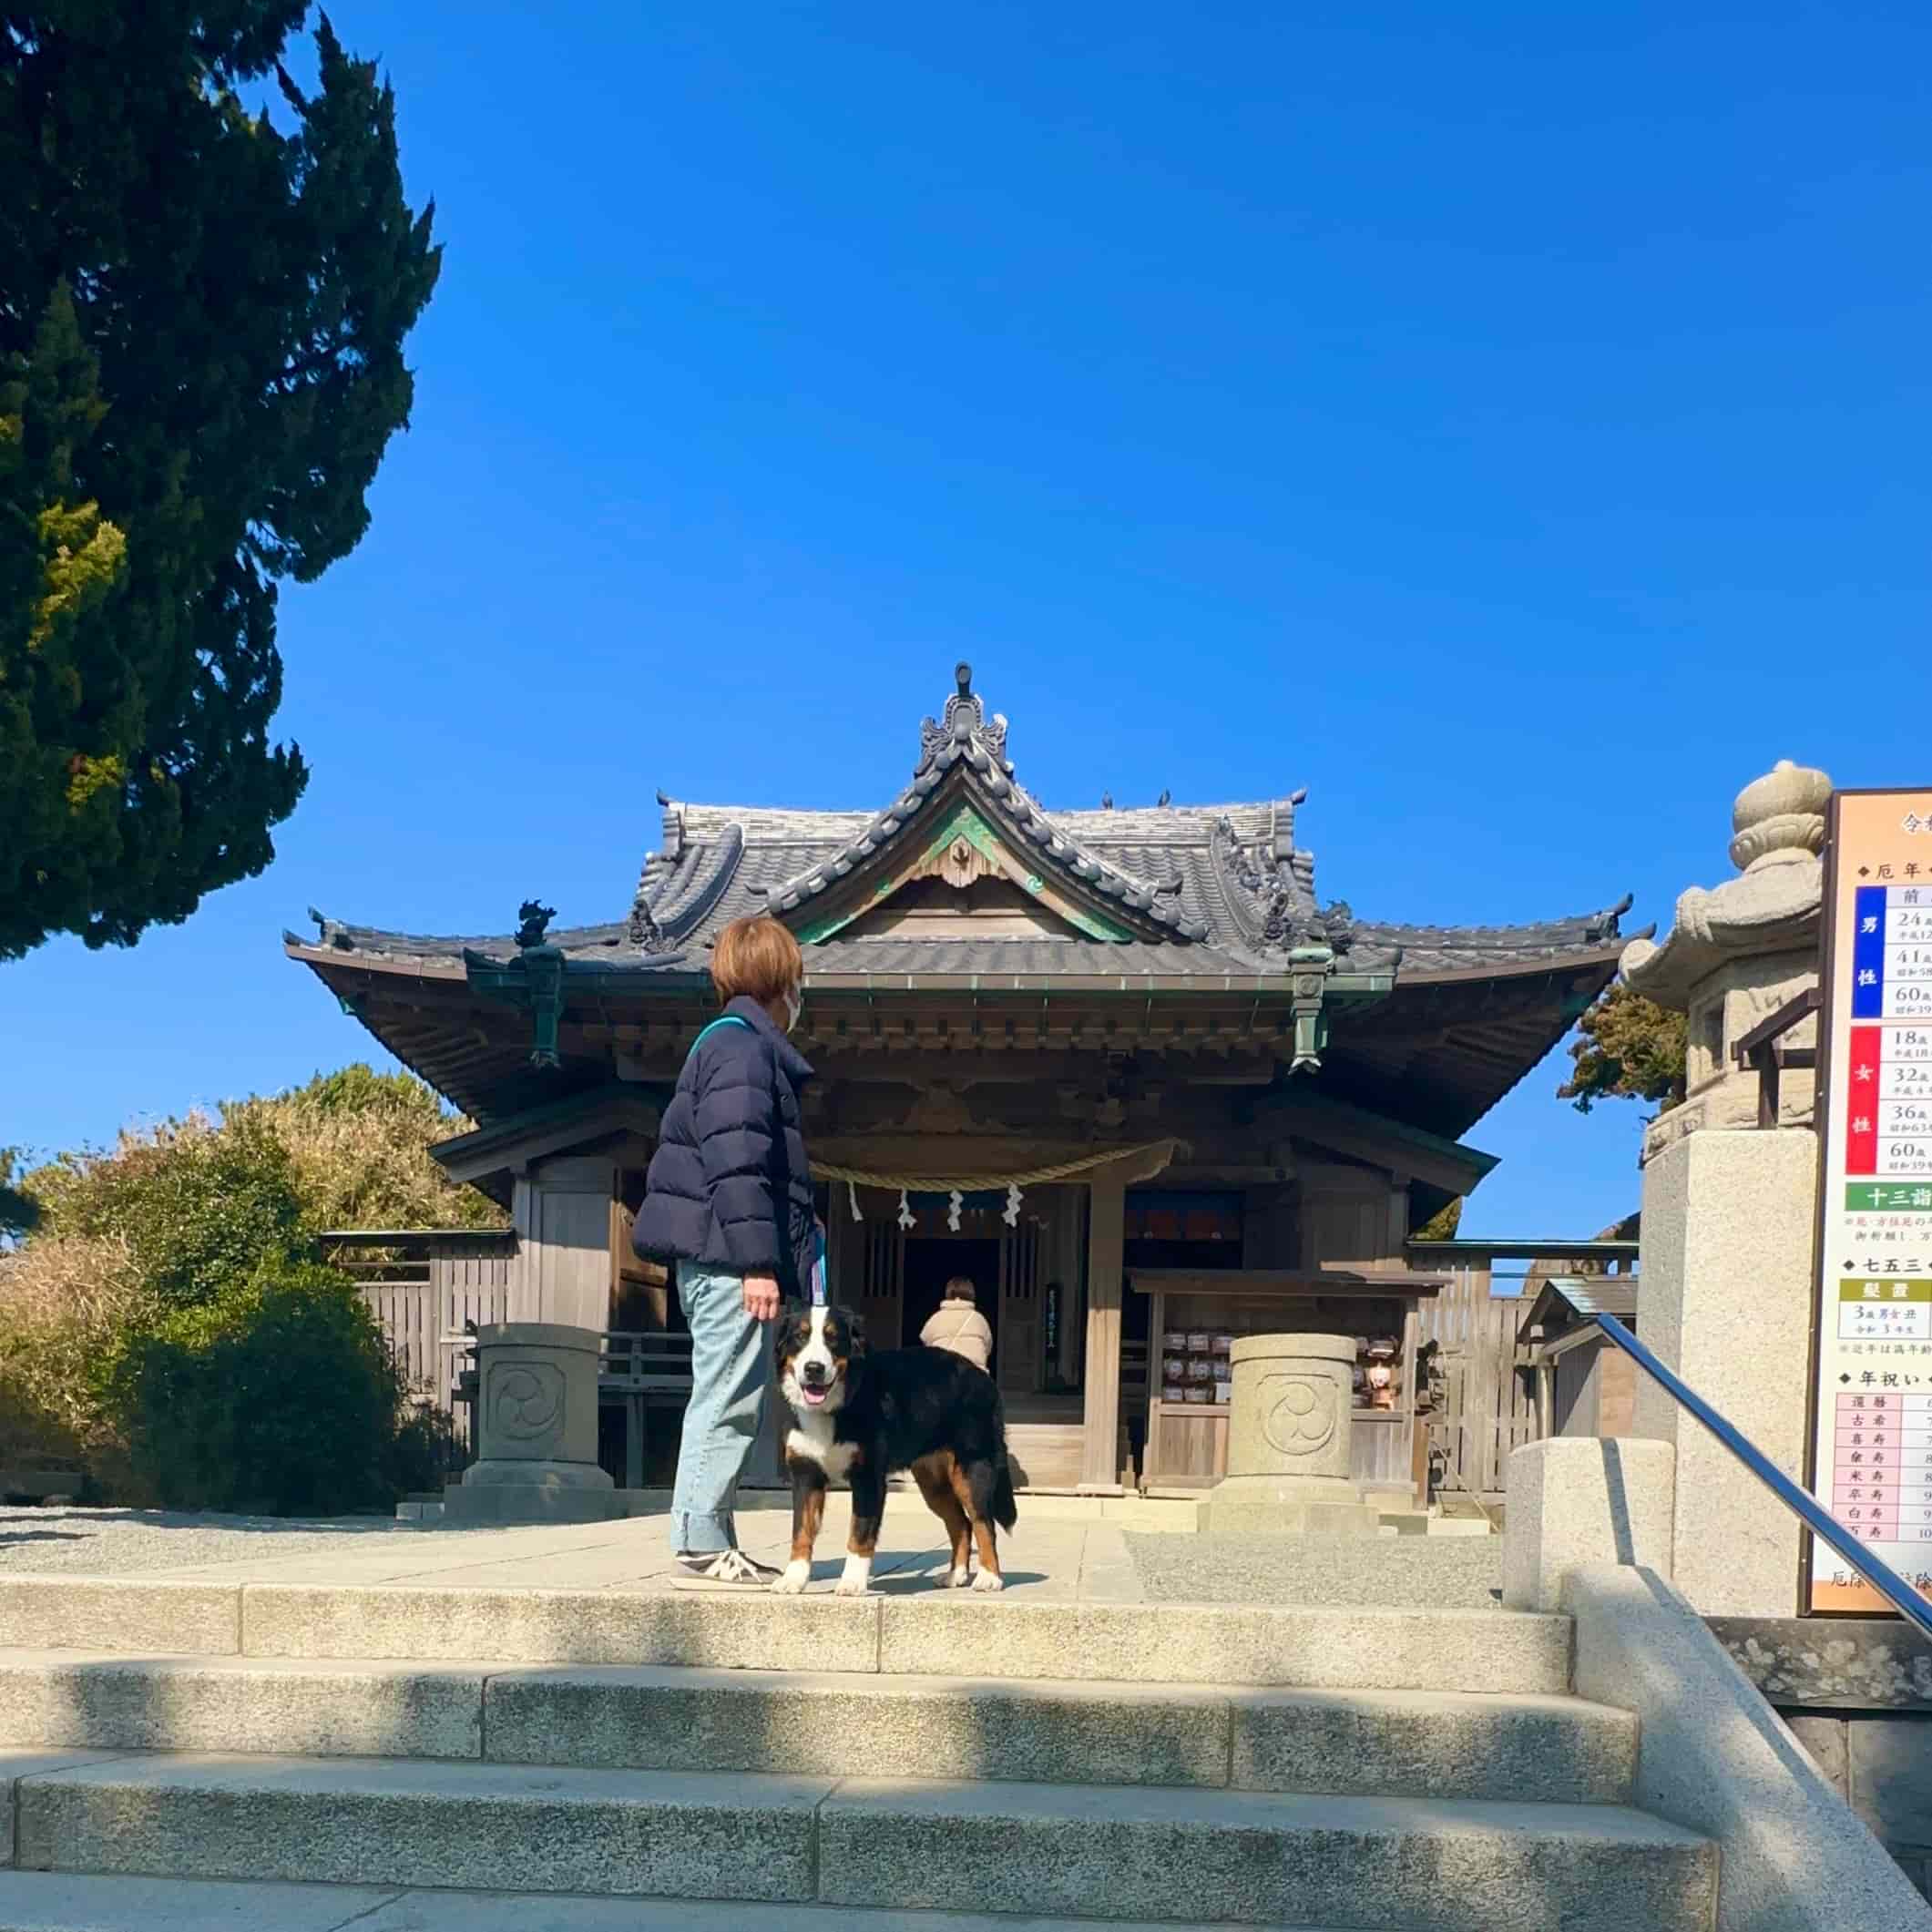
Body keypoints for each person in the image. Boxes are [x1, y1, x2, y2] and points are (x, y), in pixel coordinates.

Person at [633, 915, 815, 1584]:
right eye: (797, 981)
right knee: (728, 1395)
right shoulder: (742, 1050)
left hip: (717, 1251)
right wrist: (758, 1262)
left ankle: (711, 1532)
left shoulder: (726, 1044)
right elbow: (737, 1163)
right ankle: (700, 1536)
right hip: (727, 1256)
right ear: (777, 982)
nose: (800, 996)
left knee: (727, 1390)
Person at [920, 1275, 994, 1374]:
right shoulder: (979, 1320)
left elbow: (925, 1342)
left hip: (944, 1376)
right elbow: (988, 1348)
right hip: (973, 1377)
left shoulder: (936, 1318)